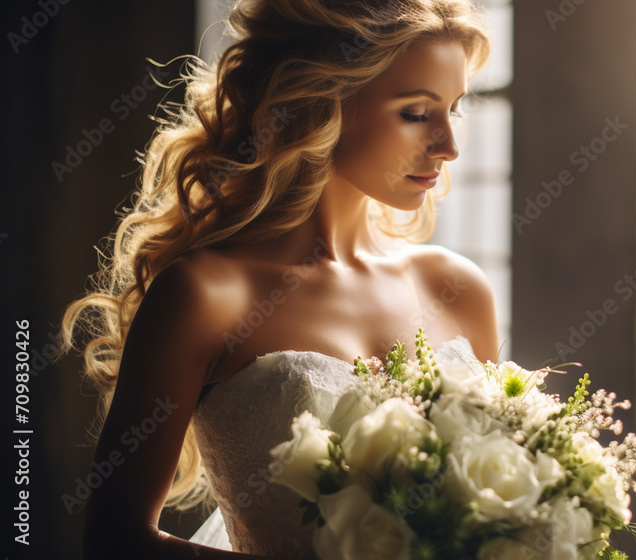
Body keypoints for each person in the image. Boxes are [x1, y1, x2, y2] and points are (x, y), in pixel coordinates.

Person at [58, 0, 497, 557]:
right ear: (323, 104)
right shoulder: (207, 295)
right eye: (415, 113)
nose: (448, 146)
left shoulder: (456, 289)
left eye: (453, 110)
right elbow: (114, 542)